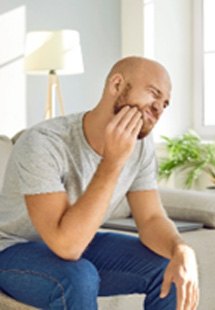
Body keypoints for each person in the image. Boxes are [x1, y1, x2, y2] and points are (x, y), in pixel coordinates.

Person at [0, 56, 199, 310]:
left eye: (165, 103)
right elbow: (67, 247)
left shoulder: (140, 147)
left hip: (80, 240)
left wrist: (181, 249)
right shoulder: (43, 142)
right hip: (12, 249)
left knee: (168, 267)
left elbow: (150, 219)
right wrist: (113, 161)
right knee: (79, 277)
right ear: (116, 85)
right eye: (153, 94)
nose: (159, 108)